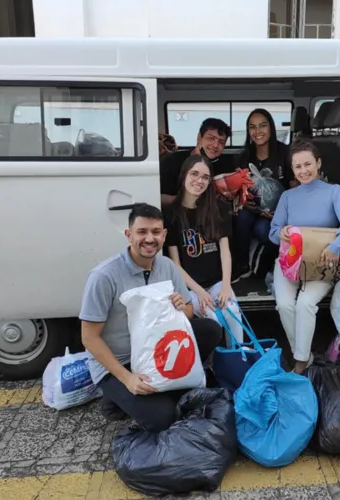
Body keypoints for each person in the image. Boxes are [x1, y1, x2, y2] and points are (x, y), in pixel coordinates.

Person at [80, 204, 224, 432]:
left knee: (211, 329)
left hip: (155, 349)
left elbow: (188, 311)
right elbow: (89, 337)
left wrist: (181, 307)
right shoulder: (104, 276)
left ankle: (162, 388)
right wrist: (127, 378)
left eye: (156, 232)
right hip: (122, 360)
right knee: (163, 418)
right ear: (128, 235)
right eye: (142, 232)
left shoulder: (167, 266)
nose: (150, 238)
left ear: (164, 235)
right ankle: (114, 398)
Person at [269, 140, 340, 374]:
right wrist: (282, 232)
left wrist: (336, 246)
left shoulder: (334, 192)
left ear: (318, 163)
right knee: (284, 305)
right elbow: (273, 232)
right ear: (292, 169)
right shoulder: (288, 197)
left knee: (305, 303)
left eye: (308, 164)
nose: (304, 171)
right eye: (298, 166)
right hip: (291, 263)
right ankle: (303, 354)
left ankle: (300, 363)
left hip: (323, 262)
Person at [165, 155, 245, 343]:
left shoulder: (217, 208)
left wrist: (226, 286)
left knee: (233, 311)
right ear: (184, 175)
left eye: (205, 177)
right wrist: (200, 292)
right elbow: (175, 264)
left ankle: (238, 355)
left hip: (217, 282)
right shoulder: (171, 214)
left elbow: (225, 251)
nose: (199, 181)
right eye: (194, 174)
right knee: (212, 318)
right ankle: (216, 358)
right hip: (190, 287)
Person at [230, 109, 296, 280]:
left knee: (263, 230)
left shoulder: (285, 154)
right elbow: (237, 189)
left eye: (262, 125)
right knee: (241, 217)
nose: (257, 131)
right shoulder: (244, 157)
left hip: (277, 212)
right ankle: (242, 265)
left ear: (271, 128)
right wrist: (243, 202)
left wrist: (281, 213)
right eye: (252, 127)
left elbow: (295, 189)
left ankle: (267, 262)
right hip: (252, 209)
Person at [160, 118, 234, 208]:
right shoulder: (172, 161)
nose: (216, 145)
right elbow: (158, 197)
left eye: (221, 142)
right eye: (211, 138)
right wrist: (189, 200)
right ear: (199, 137)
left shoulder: (225, 167)